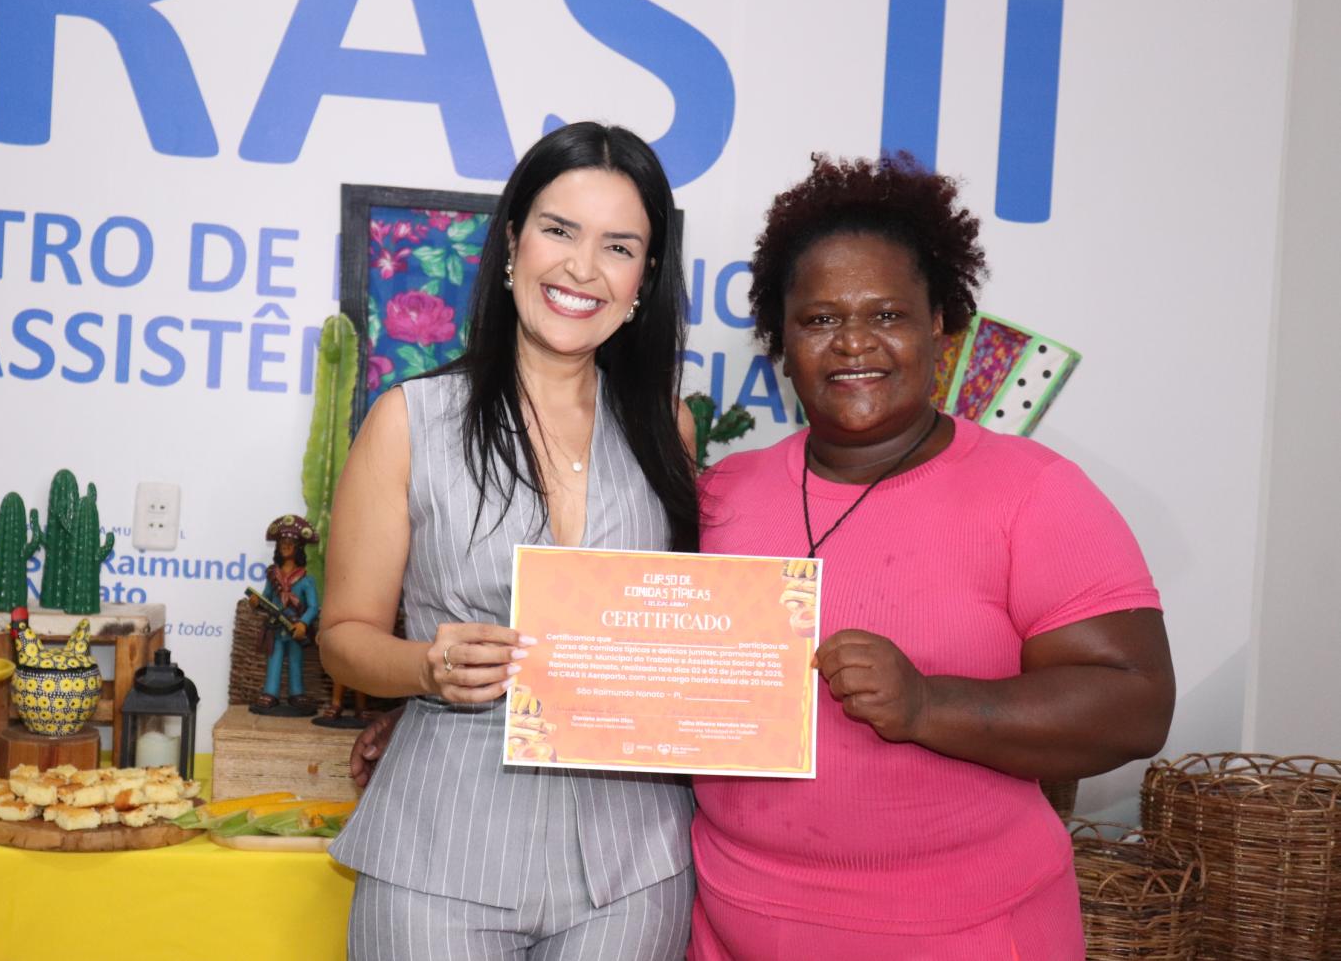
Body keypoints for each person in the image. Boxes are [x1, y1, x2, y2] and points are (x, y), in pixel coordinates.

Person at [688, 154, 1175, 960]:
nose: (853, 343)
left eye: (887, 315)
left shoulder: (1034, 493)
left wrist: (925, 704)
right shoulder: (721, 494)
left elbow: (1136, 702)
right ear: (780, 339)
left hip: (962, 932)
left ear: (940, 327)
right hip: (729, 923)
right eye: (818, 320)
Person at [319, 122, 699, 960]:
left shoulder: (669, 428)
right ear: (512, 243)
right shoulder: (409, 420)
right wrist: (425, 667)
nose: (581, 268)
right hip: (440, 851)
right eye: (559, 230)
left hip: (633, 863)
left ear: (645, 277)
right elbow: (344, 638)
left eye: (619, 245)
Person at [247, 514, 320, 715]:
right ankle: (270, 693)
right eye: (283, 542)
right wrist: (256, 602)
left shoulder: (306, 580)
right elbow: (266, 599)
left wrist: (303, 624)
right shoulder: (273, 576)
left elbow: (313, 607)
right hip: (276, 627)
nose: (286, 546)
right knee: (275, 658)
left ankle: (296, 693)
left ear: (299, 548)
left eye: (291, 542)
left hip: (295, 628)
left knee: (296, 661)